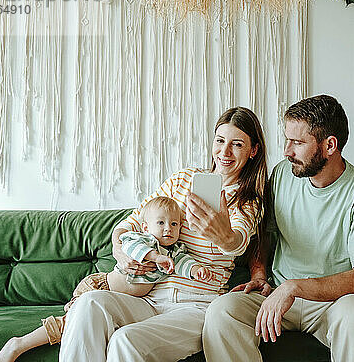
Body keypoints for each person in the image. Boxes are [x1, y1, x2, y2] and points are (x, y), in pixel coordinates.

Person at [59, 106, 268, 362]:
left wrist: (223, 233)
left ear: (253, 150)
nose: (224, 152)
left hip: (196, 306)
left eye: (236, 144)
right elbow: (130, 224)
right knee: (88, 303)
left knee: (125, 341)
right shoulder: (182, 179)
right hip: (150, 296)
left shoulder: (249, 202)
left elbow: (237, 241)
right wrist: (120, 252)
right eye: (220, 140)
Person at [203, 95, 354, 362]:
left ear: (329, 145)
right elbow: (265, 235)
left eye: (298, 142)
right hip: (278, 295)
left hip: (335, 301)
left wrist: (296, 287)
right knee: (222, 311)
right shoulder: (283, 174)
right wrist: (259, 274)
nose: (287, 151)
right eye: (287, 139)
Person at [0, 196, 212, 362]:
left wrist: (196, 270)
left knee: (79, 322)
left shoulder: (172, 250)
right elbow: (130, 245)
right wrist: (155, 256)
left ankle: (19, 344)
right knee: (72, 322)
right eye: (162, 223)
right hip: (103, 285)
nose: (168, 229)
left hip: (126, 299)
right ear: (146, 226)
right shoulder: (142, 239)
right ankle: (18, 344)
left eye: (174, 225)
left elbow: (182, 262)